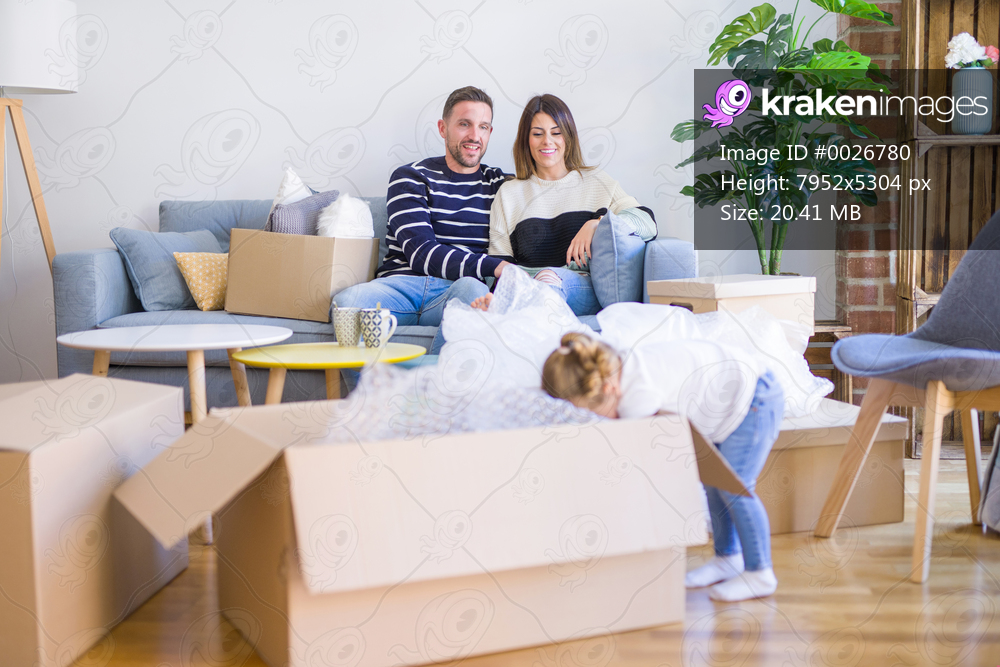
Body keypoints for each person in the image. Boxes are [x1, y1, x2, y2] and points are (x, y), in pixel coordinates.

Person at [540, 331, 784, 602]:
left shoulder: (638, 396)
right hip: (729, 399)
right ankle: (728, 557)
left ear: (608, 390)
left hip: (755, 397)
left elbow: (636, 460)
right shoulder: (618, 363)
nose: (592, 419)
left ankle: (761, 572)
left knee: (736, 487)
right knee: (715, 483)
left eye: (591, 412)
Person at [335, 86, 511, 353]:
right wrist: (494, 266)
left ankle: (429, 390)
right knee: (347, 302)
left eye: (483, 127)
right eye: (464, 124)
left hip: (456, 290)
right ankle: (367, 394)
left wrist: (596, 219)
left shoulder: (500, 184)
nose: (475, 135)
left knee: (475, 295)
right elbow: (421, 254)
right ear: (443, 128)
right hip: (400, 287)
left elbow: (550, 190)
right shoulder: (411, 177)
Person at [486, 94, 656, 316]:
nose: (547, 141)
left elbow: (647, 223)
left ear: (568, 137)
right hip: (529, 289)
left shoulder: (596, 181)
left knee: (548, 280)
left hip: (580, 287)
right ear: (526, 140)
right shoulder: (508, 193)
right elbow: (498, 268)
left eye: (556, 133)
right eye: (538, 134)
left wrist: (598, 223)